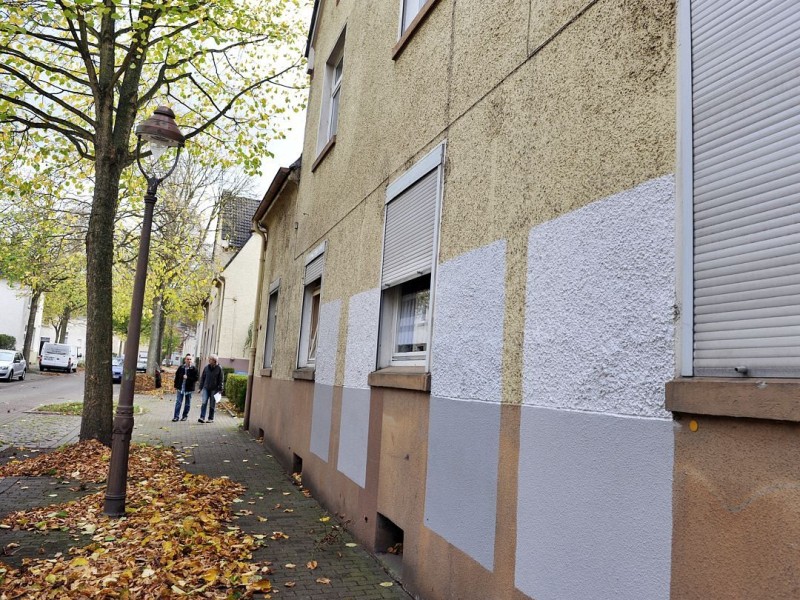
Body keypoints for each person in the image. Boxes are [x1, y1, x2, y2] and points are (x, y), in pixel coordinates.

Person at [172, 354, 198, 422]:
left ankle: (184, 416)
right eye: (187, 359)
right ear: (185, 360)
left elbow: (196, 378)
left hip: (189, 389)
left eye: (190, 359)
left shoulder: (194, 369)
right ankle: (176, 417)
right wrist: (175, 386)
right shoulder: (181, 367)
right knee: (178, 402)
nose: (189, 360)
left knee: (187, 403)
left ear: (191, 361)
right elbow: (177, 376)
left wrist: (188, 378)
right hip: (180, 388)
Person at [198, 354, 223, 423]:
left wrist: (220, 389)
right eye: (209, 359)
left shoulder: (219, 368)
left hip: (214, 389)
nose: (209, 360)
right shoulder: (206, 367)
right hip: (206, 388)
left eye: (210, 359)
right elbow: (203, 378)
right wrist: (200, 388)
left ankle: (210, 418)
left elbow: (221, 379)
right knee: (204, 402)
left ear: (214, 361)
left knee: (212, 404)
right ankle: (202, 417)